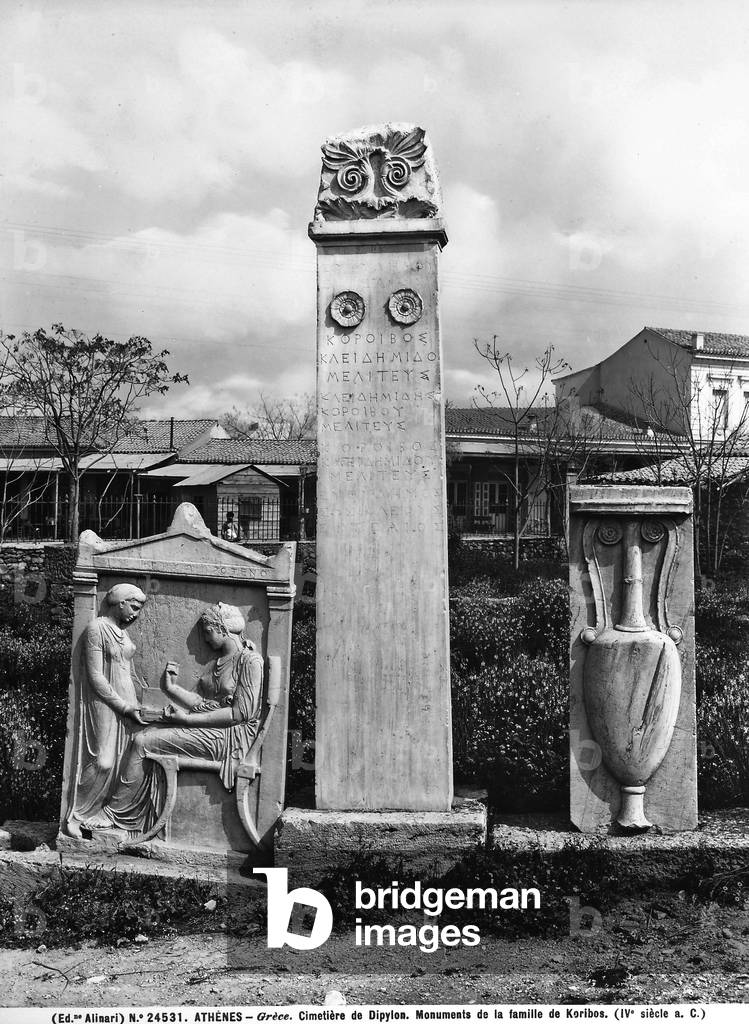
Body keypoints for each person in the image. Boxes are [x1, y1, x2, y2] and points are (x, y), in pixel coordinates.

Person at [94, 601, 264, 837]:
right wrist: (171, 689)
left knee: (143, 742)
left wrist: (187, 721)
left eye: (208, 632)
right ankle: (135, 816)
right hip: (213, 730)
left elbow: (239, 714)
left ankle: (115, 814)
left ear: (223, 629)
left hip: (230, 739)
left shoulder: (251, 662)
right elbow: (202, 705)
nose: (204, 639)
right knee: (148, 730)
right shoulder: (220, 662)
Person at [68, 583, 147, 834]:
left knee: (123, 763)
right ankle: (76, 815)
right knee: (102, 761)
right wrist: (123, 706)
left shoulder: (122, 633)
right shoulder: (97, 628)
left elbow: (128, 671)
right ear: (120, 602)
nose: (136, 614)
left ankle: (106, 814)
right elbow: (95, 676)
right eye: (133, 607)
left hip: (128, 704)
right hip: (104, 702)